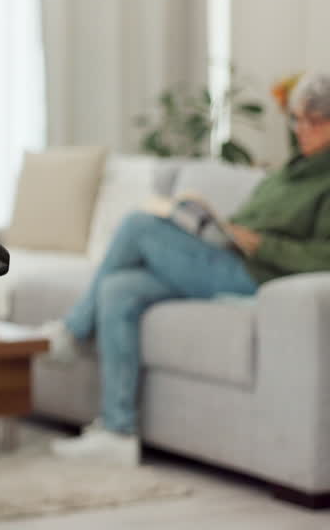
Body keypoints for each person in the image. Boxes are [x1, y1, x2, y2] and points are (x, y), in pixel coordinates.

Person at [46, 70, 330, 466]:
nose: (301, 129)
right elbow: (252, 219)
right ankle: (118, 432)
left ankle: (73, 329)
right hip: (226, 255)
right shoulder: (291, 170)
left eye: (313, 121)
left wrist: (262, 244)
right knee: (119, 288)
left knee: (138, 226)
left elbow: (323, 256)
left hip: (254, 276)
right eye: (297, 119)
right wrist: (225, 228)